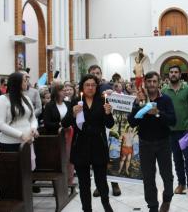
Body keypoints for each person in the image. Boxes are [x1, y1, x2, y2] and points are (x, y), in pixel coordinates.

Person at [128, 71, 176, 212]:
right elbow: (132, 122)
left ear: (159, 82)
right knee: (148, 178)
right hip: (145, 143)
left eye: (154, 81)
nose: (152, 84)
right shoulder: (139, 100)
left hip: (163, 143)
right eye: (149, 82)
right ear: (145, 83)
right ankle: (153, 206)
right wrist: (138, 106)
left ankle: (167, 198)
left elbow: (173, 121)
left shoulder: (165, 100)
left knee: (167, 175)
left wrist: (158, 113)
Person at [67, 74, 114, 212]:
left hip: (98, 145)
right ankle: (86, 209)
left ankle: (106, 205)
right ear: (82, 86)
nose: (90, 87)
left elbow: (110, 124)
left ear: (97, 87)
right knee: (84, 183)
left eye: (93, 85)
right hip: (81, 146)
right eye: (87, 85)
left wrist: (108, 113)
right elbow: (65, 123)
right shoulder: (76, 101)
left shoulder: (102, 101)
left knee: (101, 181)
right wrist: (72, 114)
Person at [162, 65, 188, 198]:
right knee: (177, 159)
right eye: (171, 72)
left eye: (176, 72)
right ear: (168, 74)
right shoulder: (164, 90)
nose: (173, 74)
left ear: (180, 74)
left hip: (185, 131)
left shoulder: (187, 89)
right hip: (171, 132)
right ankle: (181, 184)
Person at [87, 65, 121, 197]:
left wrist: (110, 94)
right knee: (96, 159)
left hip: (108, 127)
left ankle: (115, 184)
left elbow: (111, 97)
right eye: (93, 73)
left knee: (111, 156)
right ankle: (99, 185)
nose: (96, 75)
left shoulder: (105, 86)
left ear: (101, 75)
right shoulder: (87, 88)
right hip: (95, 130)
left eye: (98, 73)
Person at [0, 72, 39, 152]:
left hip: (28, 141)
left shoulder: (27, 99)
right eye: (25, 81)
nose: (27, 83)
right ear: (17, 83)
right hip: (10, 143)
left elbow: (33, 118)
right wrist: (21, 135)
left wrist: (33, 128)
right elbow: (0, 124)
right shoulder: (2, 99)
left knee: (29, 164)